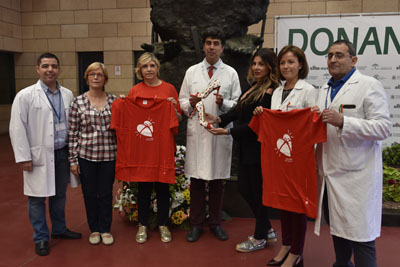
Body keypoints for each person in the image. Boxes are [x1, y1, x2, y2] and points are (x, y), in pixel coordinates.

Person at [314, 40, 391, 267]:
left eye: (339, 55)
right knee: (338, 230)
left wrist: (344, 122)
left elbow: (383, 128)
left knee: (361, 237)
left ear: (353, 60)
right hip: (330, 174)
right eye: (330, 56)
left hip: (358, 177)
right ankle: (342, 264)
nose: (333, 60)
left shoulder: (369, 85)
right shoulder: (324, 88)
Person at [206, 48, 279, 252]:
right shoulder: (254, 86)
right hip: (247, 148)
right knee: (245, 189)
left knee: (256, 193)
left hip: (259, 148)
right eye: (254, 63)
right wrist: (219, 119)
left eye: (261, 64)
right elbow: (238, 110)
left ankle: (259, 237)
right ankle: (267, 229)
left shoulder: (271, 91)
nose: (256, 67)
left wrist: (228, 132)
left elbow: (257, 126)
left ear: (270, 67)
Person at [9, 52, 82, 256]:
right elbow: (17, 128)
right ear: (37, 69)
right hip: (37, 156)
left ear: (59, 69)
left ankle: (59, 229)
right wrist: (23, 157)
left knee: (59, 195)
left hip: (61, 153)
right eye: (45, 66)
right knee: (36, 199)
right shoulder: (25, 95)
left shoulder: (67, 94)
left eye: (53, 66)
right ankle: (41, 238)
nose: (50, 70)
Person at [256, 45, 318, 267]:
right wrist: (263, 114)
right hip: (279, 158)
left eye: (291, 62)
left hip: (298, 159)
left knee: (297, 205)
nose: (286, 66)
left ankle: (297, 252)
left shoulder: (308, 91)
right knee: (283, 202)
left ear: (300, 64)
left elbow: (311, 125)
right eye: (283, 63)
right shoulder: (276, 92)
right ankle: (285, 245)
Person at [179, 27, 241, 242]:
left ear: (222, 48)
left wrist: (224, 104)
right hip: (198, 132)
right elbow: (182, 102)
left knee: (217, 182)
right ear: (203, 46)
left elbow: (238, 105)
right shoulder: (192, 72)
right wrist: (191, 103)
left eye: (216, 43)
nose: (212, 47)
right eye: (208, 43)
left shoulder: (230, 73)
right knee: (196, 181)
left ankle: (215, 223)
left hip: (218, 134)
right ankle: (196, 224)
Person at [128, 52, 181, 244]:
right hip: (143, 149)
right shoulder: (135, 91)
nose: (148, 70)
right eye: (144, 67)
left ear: (158, 67)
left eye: (152, 66)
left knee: (163, 187)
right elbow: (130, 118)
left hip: (163, 148)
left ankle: (163, 224)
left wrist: (174, 108)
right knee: (143, 187)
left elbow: (178, 120)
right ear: (139, 70)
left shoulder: (169, 89)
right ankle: (142, 224)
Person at [68, 62, 117, 246]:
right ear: (87, 77)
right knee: (89, 193)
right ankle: (94, 228)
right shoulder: (77, 102)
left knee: (105, 193)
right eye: (92, 74)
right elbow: (72, 133)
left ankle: (105, 228)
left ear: (105, 79)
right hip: (86, 156)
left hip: (109, 156)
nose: (96, 77)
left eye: (100, 75)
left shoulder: (114, 101)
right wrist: (72, 160)